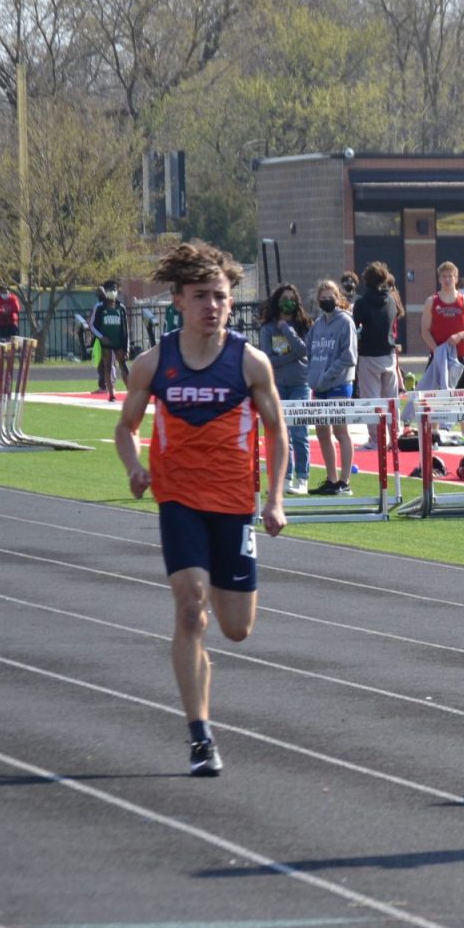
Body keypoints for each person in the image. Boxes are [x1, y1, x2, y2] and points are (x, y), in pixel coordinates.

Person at [111, 241, 287, 777]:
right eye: (201, 296)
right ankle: (200, 735)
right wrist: (135, 468)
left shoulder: (249, 363)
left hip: (233, 506)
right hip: (179, 499)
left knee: (236, 628)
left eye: (221, 296)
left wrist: (275, 499)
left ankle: (205, 682)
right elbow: (125, 429)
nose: (212, 305)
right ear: (179, 303)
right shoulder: (155, 361)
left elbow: (278, 432)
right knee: (190, 609)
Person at [258, 282, 312, 497]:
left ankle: (302, 478)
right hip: (278, 385)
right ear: (277, 301)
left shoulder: (302, 325)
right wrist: (293, 357)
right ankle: (285, 477)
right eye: (283, 299)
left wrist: (286, 329)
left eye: (291, 298)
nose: (287, 302)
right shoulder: (267, 328)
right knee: (282, 434)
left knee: (300, 432)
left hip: (300, 384)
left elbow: (303, 349)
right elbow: (268, 360)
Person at [306, 278, 358, 497]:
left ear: (338, 299)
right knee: (322, 431)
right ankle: (331, 478)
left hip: (338, 383)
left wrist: (328, 374)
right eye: (323, 297)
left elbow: (349, 356)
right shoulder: (318, 324)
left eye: (331, 297)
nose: (327, 300)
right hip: (320, 385)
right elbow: (308, 350)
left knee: (340, 430)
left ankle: (344, 482)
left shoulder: (345, 322)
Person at [352, 262, 398, 459]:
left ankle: (375, 440)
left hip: (369, 355)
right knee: (391, 399)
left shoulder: (362, 303)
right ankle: (394, 438)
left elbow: (356, 328)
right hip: (389, 354)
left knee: (371, 399)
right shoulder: (391, 300)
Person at [421, 261, 464, 392]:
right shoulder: (431, 301)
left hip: (460, 358)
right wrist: (436, 350)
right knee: (433, 397)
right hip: (438, 357)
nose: (447, 279)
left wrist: (460, 335)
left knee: (461, 399)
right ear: (439, 279)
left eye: (450, 276)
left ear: (456, 278)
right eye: (444, 276)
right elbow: (425, 331)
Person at [90, 280, 131, 400]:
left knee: (123, 365)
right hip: (106, 341)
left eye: (114, 290)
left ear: (117, 292)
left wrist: (127, 347)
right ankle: (111, 394)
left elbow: (126, 328)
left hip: (119, 341)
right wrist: (101, 337)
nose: (112, 293)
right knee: (107, 366)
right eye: (109, 290)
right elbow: (92, 325)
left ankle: (130, 392)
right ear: (105, 292)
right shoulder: (99, 307)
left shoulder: (121, 308)